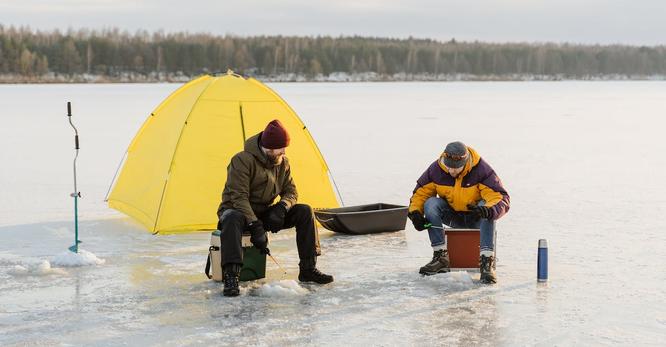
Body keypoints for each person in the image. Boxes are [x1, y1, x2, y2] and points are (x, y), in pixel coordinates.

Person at [216, 119, 334, 297]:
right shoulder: (241, 160)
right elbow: (238, 197)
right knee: (231, 217)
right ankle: (231, 276)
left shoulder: (283, 162)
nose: (284, 151)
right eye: (281, 148)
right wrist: (255, 224)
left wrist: (281, 208)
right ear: (269, 148)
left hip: (264, 212)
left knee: (304, 211)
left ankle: (308, 268)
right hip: (237, 211)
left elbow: (291, 191)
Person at [407, 141, 510, 284]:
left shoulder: (481, 170)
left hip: (476, 217)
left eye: (457, 168)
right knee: (430, 203)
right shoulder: (436, 169)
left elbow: (500, 196)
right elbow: (420, 193)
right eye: (449, 167)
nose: (452, 171)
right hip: (452, 216)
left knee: (487, 208)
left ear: (466, 162)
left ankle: (487, 262)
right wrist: (415, 214)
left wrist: (487, 210)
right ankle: (440, 257)